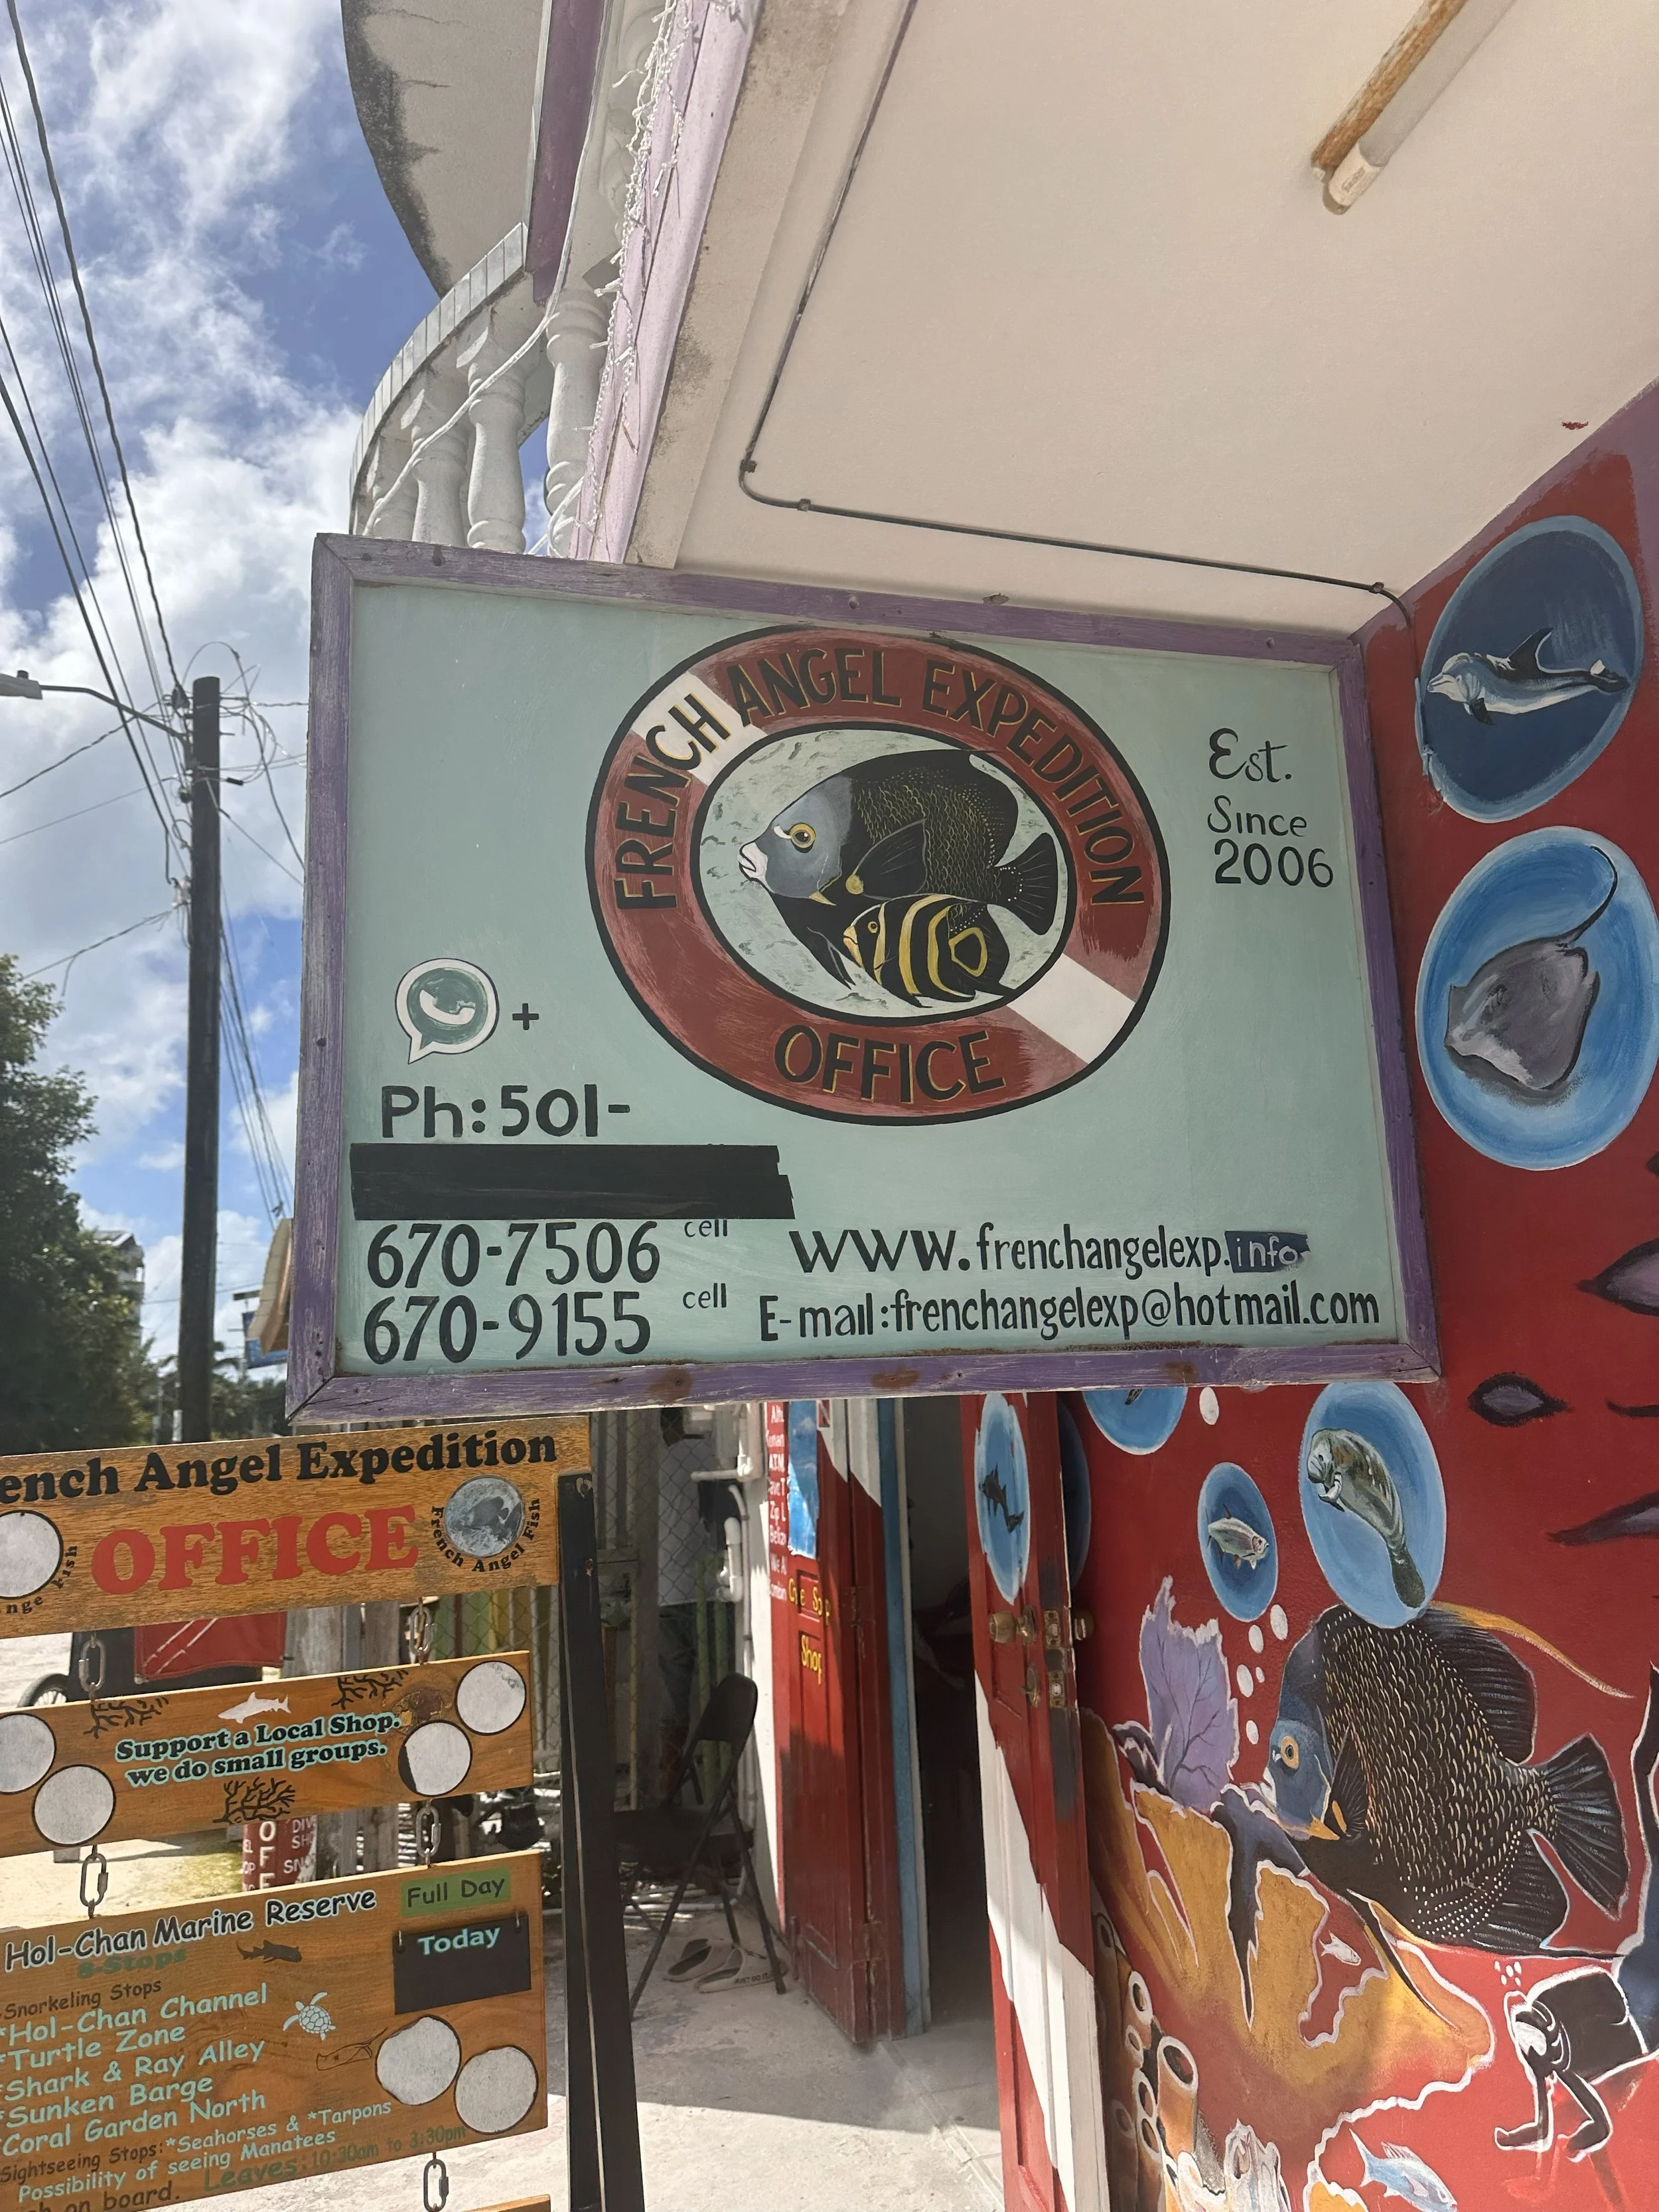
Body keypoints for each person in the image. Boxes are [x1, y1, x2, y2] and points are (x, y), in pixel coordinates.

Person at [656, 1409, 737, 1800]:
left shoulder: (656, 1466)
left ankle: (668, 1781)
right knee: (721, 1688)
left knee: (674, 1701)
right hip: (711, 1590)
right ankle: (728, 1779)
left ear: (667, 1428)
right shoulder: (717, 1455)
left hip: (666, 1594)